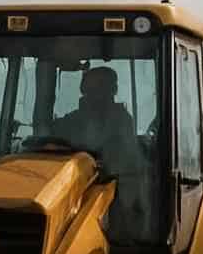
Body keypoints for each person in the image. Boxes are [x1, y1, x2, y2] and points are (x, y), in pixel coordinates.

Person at [50, 66, 152, 243]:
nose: (96, 94)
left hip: (111, 187)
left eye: (102, 88)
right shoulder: (70, 121)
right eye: (92, 89)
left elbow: (126, 158)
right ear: (83, 90)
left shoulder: (122, 120)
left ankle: (125, 240)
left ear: (112, 90)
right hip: (73, 187)